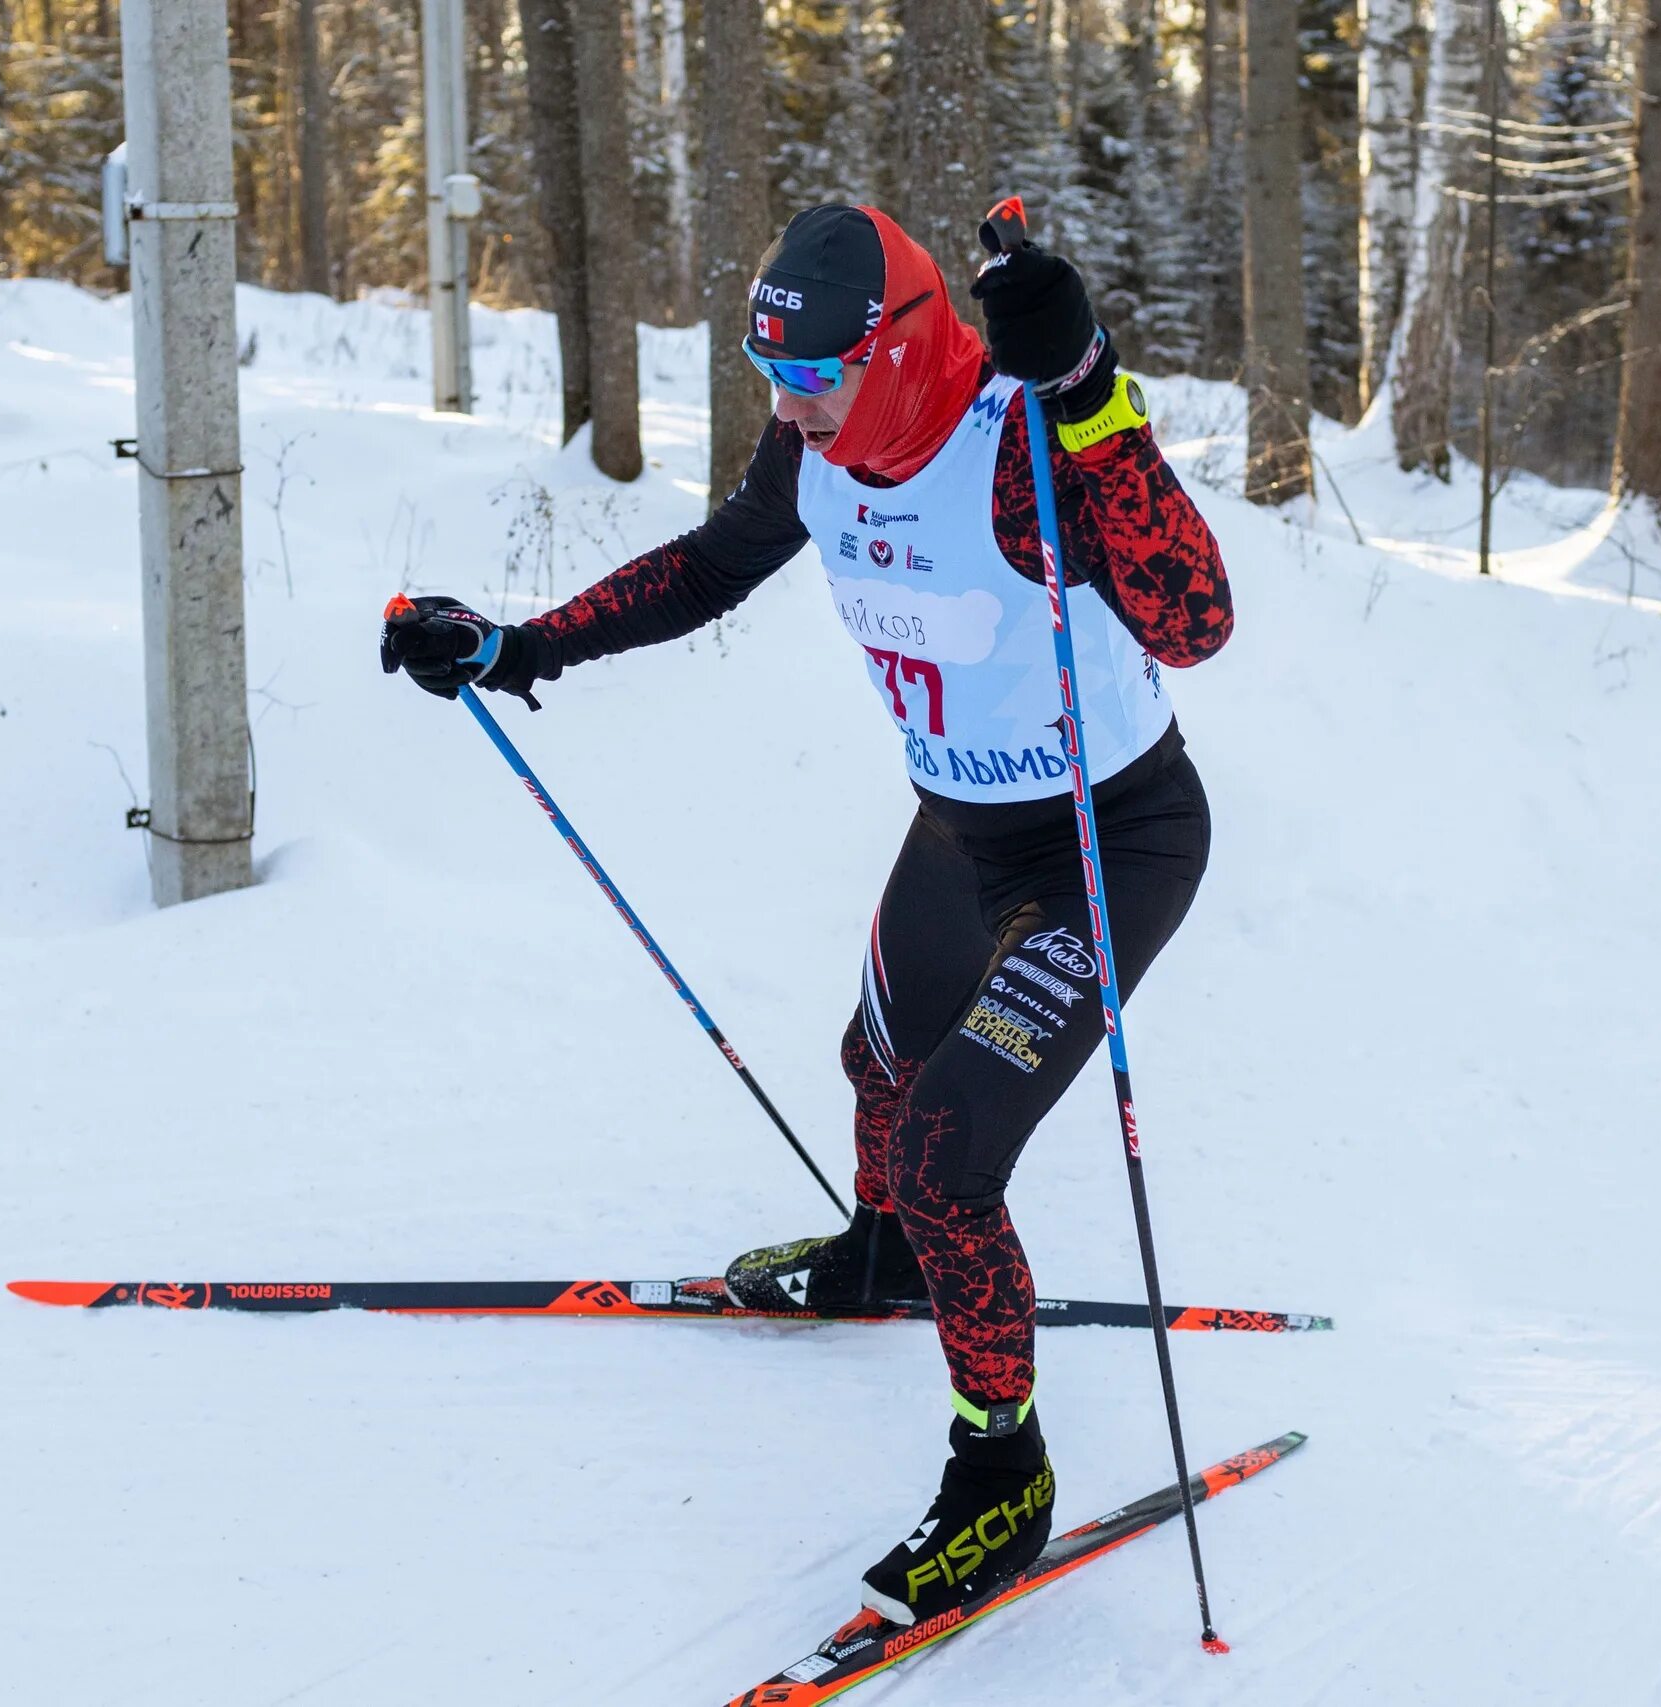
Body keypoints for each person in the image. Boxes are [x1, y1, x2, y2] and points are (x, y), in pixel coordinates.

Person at [380, 203, 1233, 1626]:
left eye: (818, 380)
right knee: (879, 1068)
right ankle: (883, 1257)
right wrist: (523, 644)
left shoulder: (1017, 452)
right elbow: (713, 564)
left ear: (895, 352)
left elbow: (1194, 619)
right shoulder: (818, 451)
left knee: (954, 1149)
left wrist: (1088, 394)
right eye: (776, 381)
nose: (794, 409)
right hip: (962, 828)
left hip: (1107, 839)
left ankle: (1002, 1473)